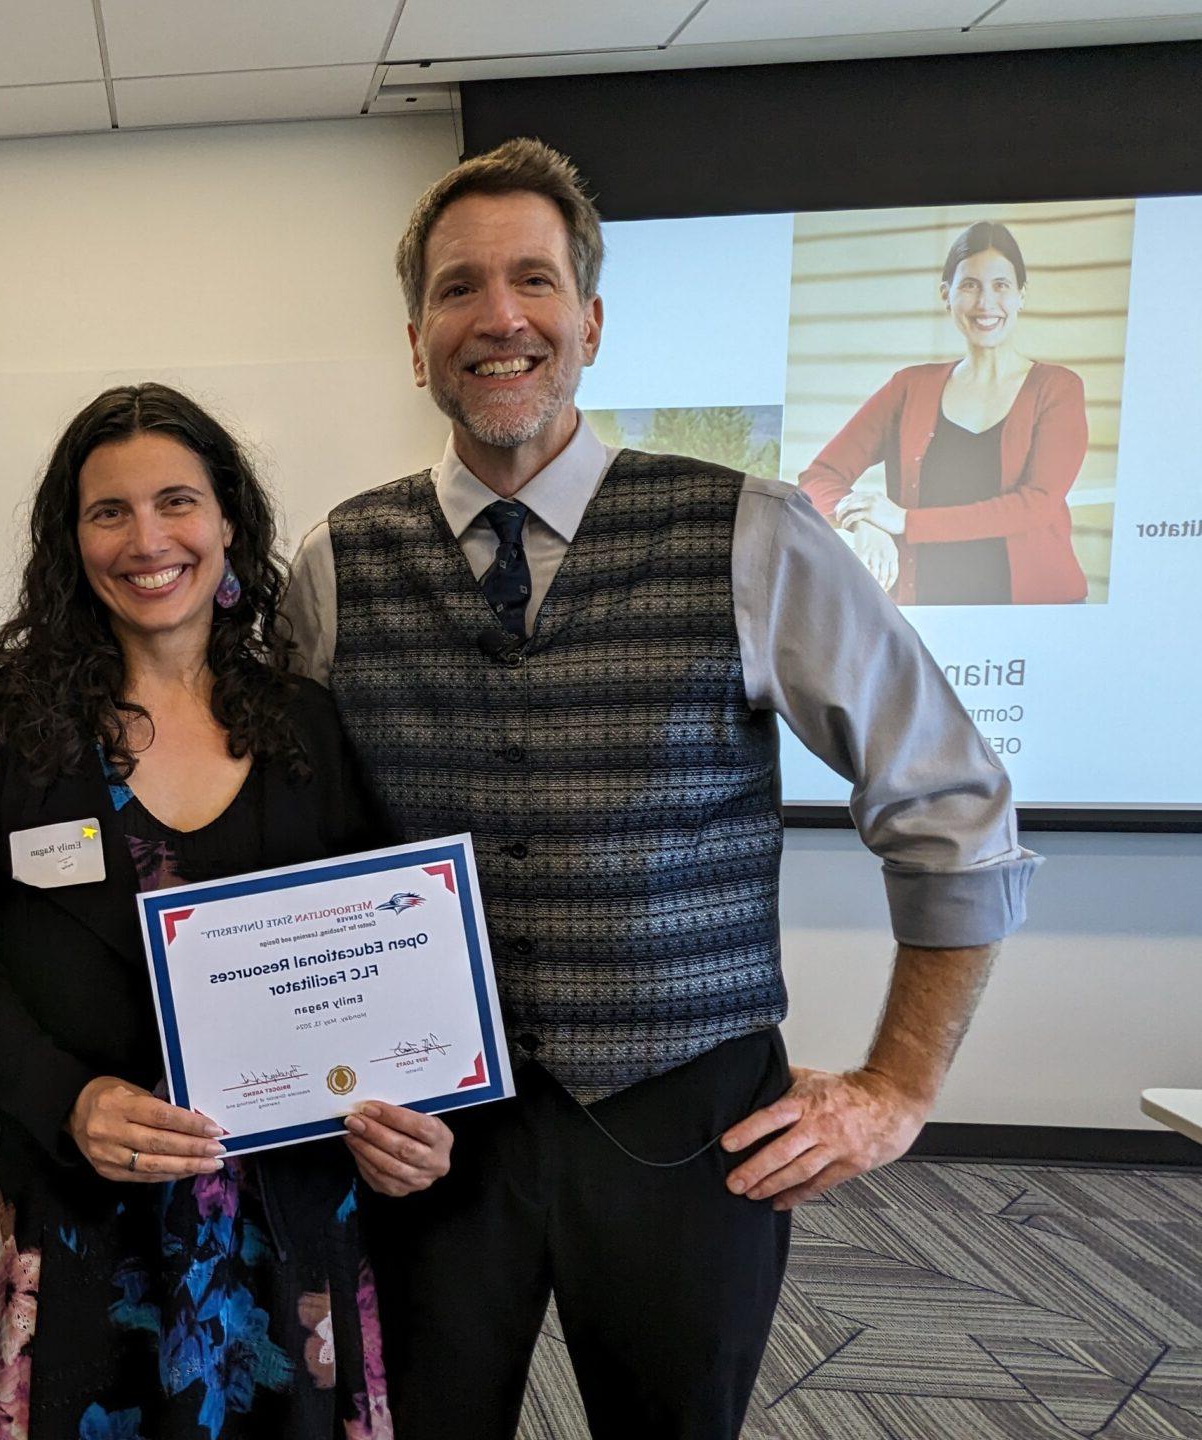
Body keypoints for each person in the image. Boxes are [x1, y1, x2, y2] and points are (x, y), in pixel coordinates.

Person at [279, 139, 1040, 1438]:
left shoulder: (749, 532)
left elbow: (952, 803)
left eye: (534, 281)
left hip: (689, 1126)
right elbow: (288, 858)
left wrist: (897, 1089)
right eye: (461, 289)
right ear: (416, 340)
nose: (500, 317)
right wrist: (318, 1085)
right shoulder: (334, 563)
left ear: (589, 323)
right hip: (424, 1143)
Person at [0, 384, 445, 1440]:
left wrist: (418, 1108)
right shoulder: (4, 729)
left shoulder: (303, 723)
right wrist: (69, 1101)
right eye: (107, 511)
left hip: (284, 1212)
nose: (146, 539)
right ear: (69, 542)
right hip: (70, 1208)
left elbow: (379, 954)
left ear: (226, 526)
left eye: (176, 502)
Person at [797, 219, 1092, 605]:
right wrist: (862, 520)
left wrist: (904, 522)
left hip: (1034, 616)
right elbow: (819, 477)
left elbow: (1035, 505)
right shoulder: (909, 387)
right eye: (969, 285)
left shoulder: (1056, 387)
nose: (985, 303)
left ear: (1021, 294)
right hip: (930, 616)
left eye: (1001, 285)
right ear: (946, 295)